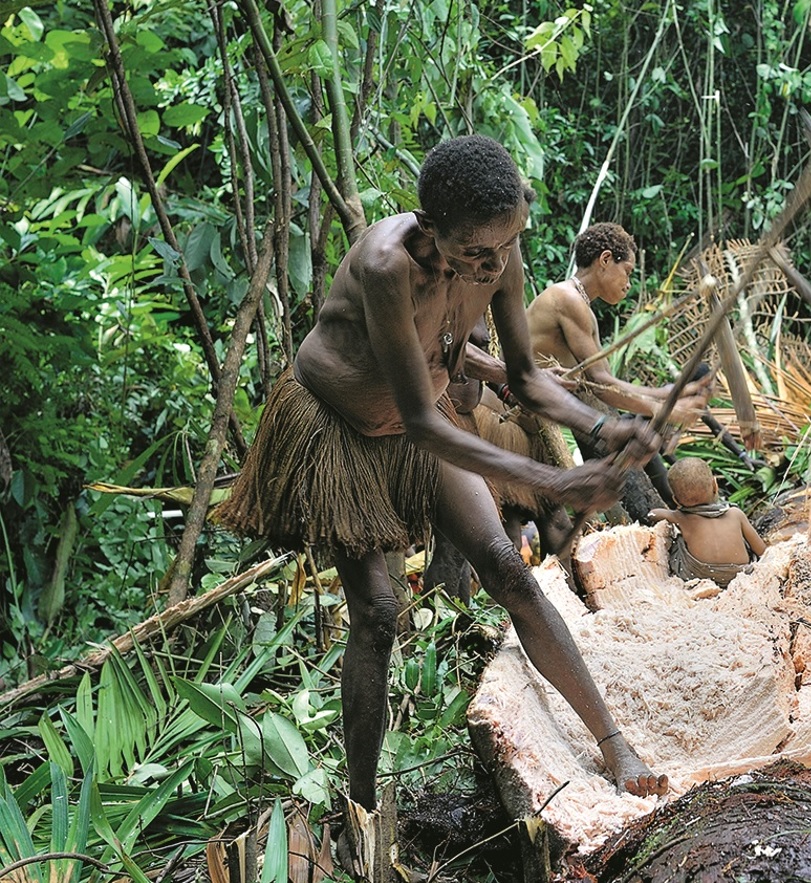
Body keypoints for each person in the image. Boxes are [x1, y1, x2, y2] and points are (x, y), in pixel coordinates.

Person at [215, 135, 668, 809]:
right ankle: (362, 806)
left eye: (505, 246)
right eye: (475, 253)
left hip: (414, 423)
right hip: (340, 427)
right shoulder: (384, 263)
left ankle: (615, 745)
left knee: (508, 568)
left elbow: (523, 378)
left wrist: (600, 427)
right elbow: (425, 421)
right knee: (375, 612)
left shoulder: (501, 256)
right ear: (431, 229)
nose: (492, 265)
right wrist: (552, 482)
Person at [526, 223, 713, 517]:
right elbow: (601, 385)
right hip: (520, 416)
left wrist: (666, 395)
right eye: (627, 270)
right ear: (605, 260)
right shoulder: (568, 300)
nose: (628, 283)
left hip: (548, 414)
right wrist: (663, 407)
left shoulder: (580, 305)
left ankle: (673, 517)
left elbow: (604, 383)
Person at [647, 457, 767, 589]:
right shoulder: (735, 514)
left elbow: (653, 514)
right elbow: (763, 552)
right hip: (739, 576)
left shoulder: (682, 518)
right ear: (715, 485)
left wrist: (674, 514)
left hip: (699, 579)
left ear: (676, 500)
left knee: (677, 541)